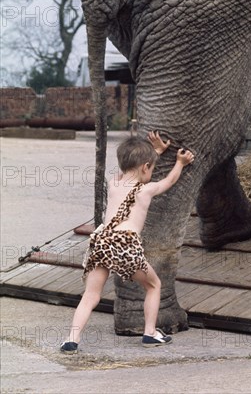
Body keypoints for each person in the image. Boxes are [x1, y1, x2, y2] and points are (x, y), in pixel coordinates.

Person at [60, 132, 194, 353]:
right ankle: (150, 332)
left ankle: (71, 339)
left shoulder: (114, 182)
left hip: (102, 241)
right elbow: (169, 180)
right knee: (153, 285)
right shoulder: (146, 190)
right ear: (146, 167)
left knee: (91, 294)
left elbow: (135, 168)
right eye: (150, 167)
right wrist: (180, 162)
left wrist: (155, 152)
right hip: (125, 245)